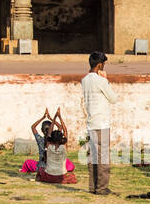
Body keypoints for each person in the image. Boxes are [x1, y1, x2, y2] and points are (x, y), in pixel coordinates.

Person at [81, 51, 117, 196]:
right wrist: (106, 80)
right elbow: (113, 98)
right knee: (103, 158)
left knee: (93, 157)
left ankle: (93, 186)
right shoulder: (101, 81)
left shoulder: (84, 80)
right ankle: (102, 187)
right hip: (102, 123)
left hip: (91, 122)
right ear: (100, 65)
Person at [37, 109, 77, 185]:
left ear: (51, 138)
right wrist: (59, 117)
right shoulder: (63, 147)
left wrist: (54, 117)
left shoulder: (49, 147)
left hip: (49, 175)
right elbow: (65, 131)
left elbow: (49, 133)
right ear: (61, 139)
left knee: (41, 170)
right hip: (61, 176)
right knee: (72, 176)